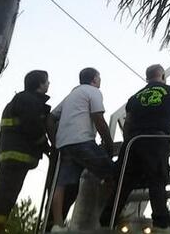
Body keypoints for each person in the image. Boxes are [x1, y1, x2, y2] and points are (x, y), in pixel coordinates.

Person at [100, 64, 170, 233]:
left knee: (124, 184)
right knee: (157, 180)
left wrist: (128, 142)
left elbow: (128, 123)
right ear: (162, 76)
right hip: (156, 140)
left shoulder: (134, 97)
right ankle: (161, 225)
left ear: (147, 78)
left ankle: (105, 221)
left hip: (133, 142)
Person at [48, 67, 115, 232]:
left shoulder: (71, 96)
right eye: (99, 78)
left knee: (61, 184)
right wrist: (108, 143)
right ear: (93, 79)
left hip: (64, 144)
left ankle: (57, 225)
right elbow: (98, 118)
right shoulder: (93, 92)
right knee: (114, 175)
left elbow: (50, 117)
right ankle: (105, 215)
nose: (100, 80)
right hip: (83, 141)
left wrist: (55, 140)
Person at [0, 71, 51, 234]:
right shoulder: (27, 100)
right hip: (17, 156)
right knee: (4, 195)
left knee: (6, 195)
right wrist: (45, 146)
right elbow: (32, 125)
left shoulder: (22, 100)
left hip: (13, 156)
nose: (48, 84)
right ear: (39, 84)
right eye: (46, 82)